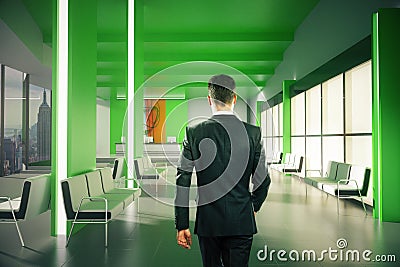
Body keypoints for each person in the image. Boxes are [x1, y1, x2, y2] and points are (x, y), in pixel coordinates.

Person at [174, 74, 271, 267]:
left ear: (210, 99)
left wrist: (182, 224)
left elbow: (182, 179)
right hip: (241, 220)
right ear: (234, 98)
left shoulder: (193, 132)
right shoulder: (253, 133)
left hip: (208, 222)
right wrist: (253, 206)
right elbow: (263, 179)